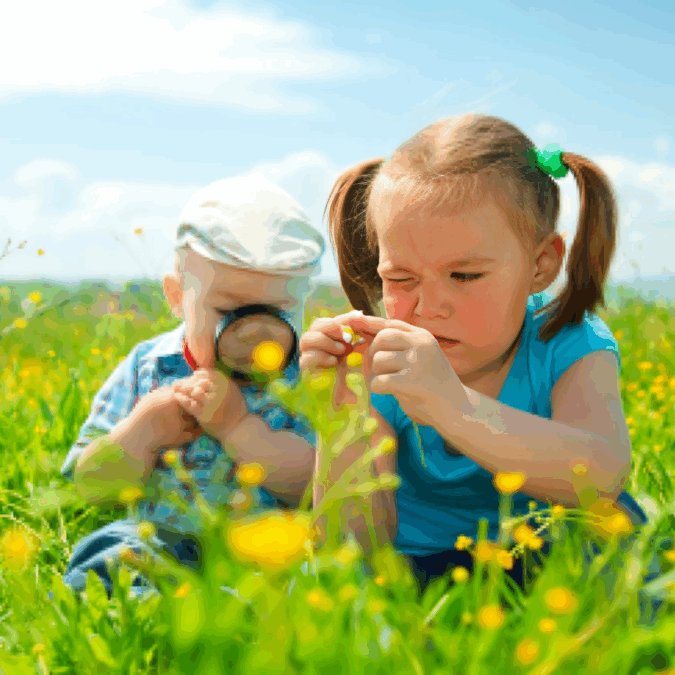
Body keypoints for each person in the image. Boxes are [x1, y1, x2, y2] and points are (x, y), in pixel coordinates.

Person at [300, 113, 651, 592]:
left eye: (464, 276)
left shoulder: (569, 338)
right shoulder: (381, 363)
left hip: (553, 561)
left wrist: (453, 406)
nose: (429, 307)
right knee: (322, 590)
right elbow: (352, 545)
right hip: (422, 567)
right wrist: (340, 409)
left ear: (540, 265)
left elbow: (602, 475)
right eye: (400, 280)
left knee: (624, 544)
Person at [61, 173, 324, 596]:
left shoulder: (306, 377)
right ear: (177, 296)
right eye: (228, 311)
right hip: (160, 537)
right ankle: (138, 616)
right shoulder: (148, 367)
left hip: (266, 549)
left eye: (279, 311)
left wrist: (241, 429)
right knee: (113, 548)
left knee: (312, 575)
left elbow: (315, 489)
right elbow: (90, 485)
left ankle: (248, 626)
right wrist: (142, 431)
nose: (255, 332)